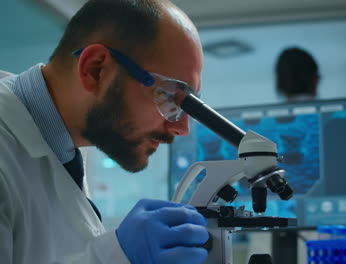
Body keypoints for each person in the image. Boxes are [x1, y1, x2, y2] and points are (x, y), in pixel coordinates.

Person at [0, 0, 209, 263]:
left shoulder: (63, 146)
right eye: (169, 98)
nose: (181, 128)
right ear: (96, 69)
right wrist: (113, 257)